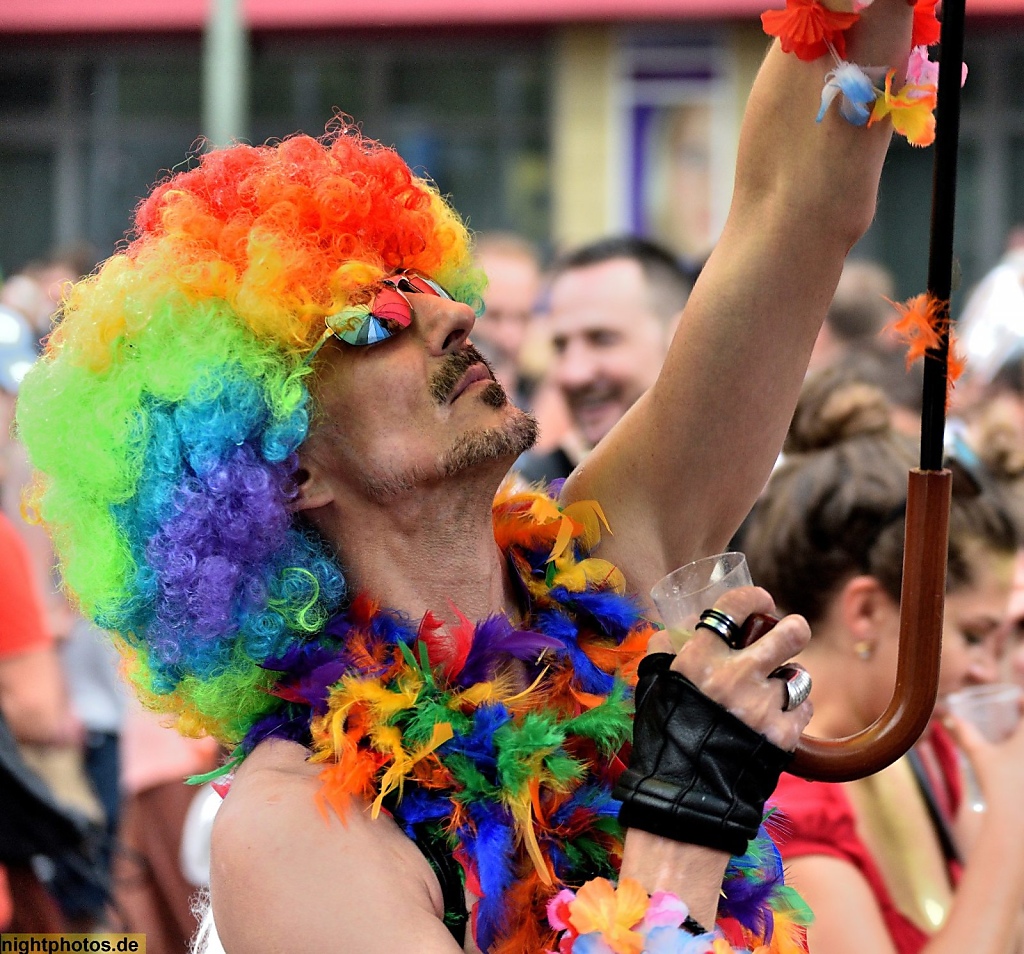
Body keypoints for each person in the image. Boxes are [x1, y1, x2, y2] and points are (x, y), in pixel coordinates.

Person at [16, 0, 920, 948]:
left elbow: (791, 216)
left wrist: (857, 13)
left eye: (435, 287)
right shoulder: (294, 826)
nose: (452, 319)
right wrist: (682, 825)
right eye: (374, 320)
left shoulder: (609, 564)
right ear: (281, 472)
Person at [743, 368, 1024, 954]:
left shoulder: (920, 750)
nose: (984, 672)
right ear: (867, 611)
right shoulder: (781, 809)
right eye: (974, 636)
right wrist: (1011, 823)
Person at [515, 236, 693, 486]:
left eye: (602, 339)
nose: (572, 374)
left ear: (680, 338)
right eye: (561, 346)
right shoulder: (535, 497)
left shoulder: (752, 498)